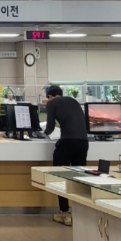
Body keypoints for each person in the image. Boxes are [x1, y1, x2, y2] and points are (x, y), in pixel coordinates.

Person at [44, 85, 89, 226]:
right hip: (83, 143)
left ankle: (64, 213)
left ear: (50, 96)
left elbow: (50, 127)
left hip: (68, 142)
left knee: (60, 176)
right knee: (78, 178)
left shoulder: (51, 103)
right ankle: (81, 212)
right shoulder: (73, 101)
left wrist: (42, 133)